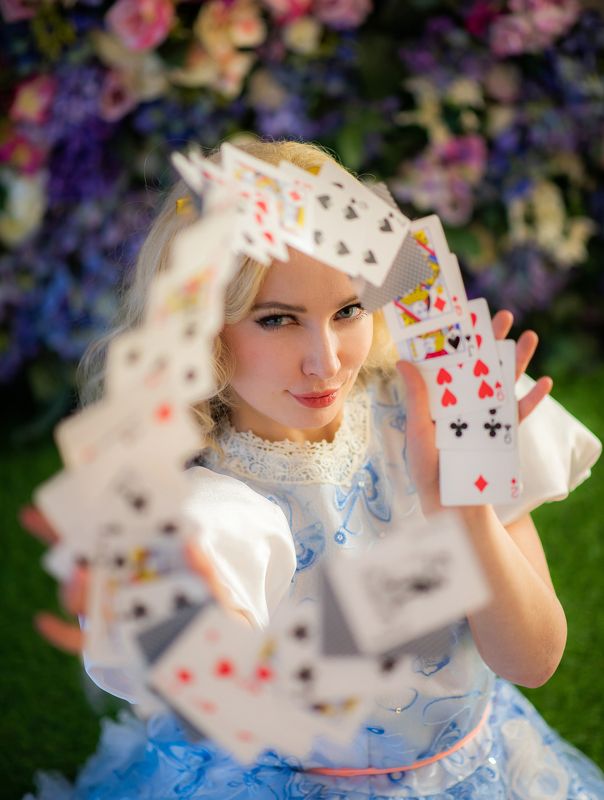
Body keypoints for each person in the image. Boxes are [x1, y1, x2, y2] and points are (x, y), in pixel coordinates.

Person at [22, 139, 604, 799]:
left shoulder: (439, 413)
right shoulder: (196, 499)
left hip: (475, 765)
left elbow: (534, 660)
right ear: (203, 328)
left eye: (348, 310)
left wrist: (466, 511)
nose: (325, 362)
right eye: (277, 320)